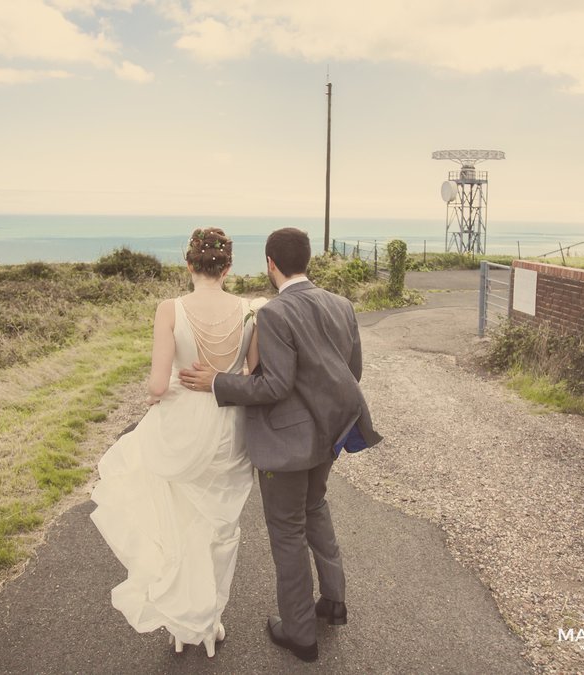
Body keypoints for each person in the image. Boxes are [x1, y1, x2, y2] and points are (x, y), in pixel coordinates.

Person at [178, 227, 382, 663]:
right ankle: (333, 601)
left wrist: (216, 382)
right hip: (329, 439)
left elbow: (273, 386)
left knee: (287, 533)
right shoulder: (342, 305)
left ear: (271, 264)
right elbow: (353, 371)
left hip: (286, 450)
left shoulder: (273, 314)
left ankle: (299, 633)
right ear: (306, 260)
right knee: (316, 511)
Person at [90, 227, 258, 657]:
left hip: (181, 429)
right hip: (228, 427)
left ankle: (181, 623)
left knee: (179, 526)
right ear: (228, 267)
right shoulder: (251, 311)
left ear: (189, 265)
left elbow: (159, 385)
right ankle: (210, 620)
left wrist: (154, 392)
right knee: (220, 529)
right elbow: (249, 378)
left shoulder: (169, 309)